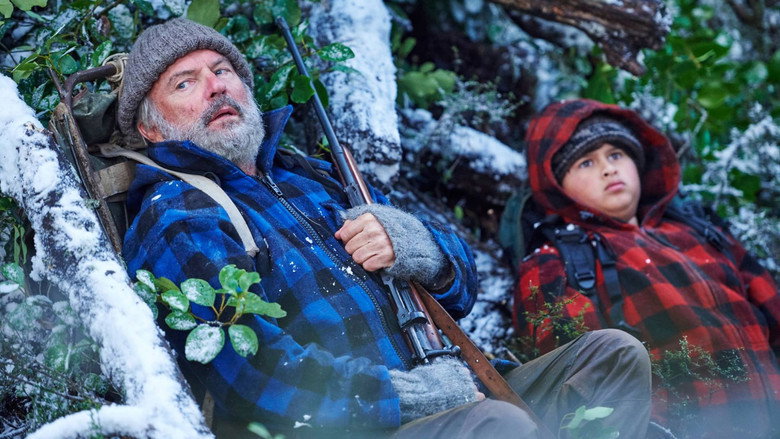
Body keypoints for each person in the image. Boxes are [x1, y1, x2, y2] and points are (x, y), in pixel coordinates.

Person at [117, 18, 652, 438]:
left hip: (463, 386)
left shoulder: (317, 176)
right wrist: (404, 396)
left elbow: (461, 289)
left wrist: (427, 255)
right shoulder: (178, 215)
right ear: (150, 128)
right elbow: (251, 374)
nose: (215, 87)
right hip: (360, 424)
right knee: (499, 427)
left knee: (613, 357)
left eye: (222, 70)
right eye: (185, 83)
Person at [513, 98, 780, 439]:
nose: (608, 169)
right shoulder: (553, 261)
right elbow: (582, 388)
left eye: (616, 155)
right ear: (557, 186)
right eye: (585, 162)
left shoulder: (699, 231)